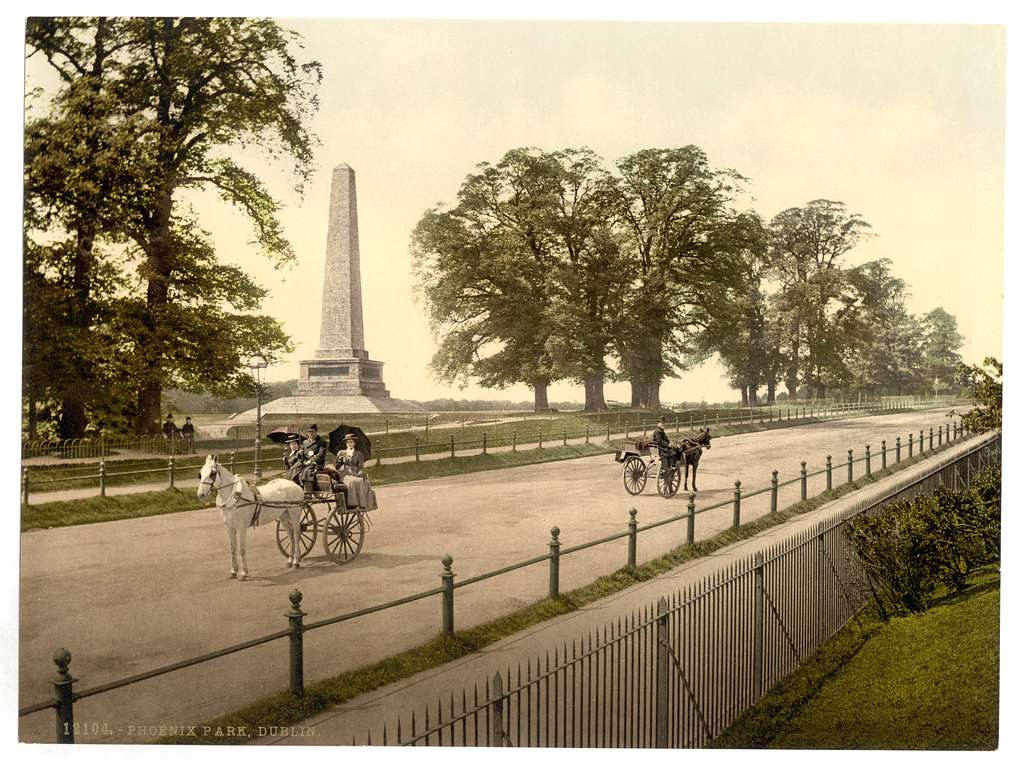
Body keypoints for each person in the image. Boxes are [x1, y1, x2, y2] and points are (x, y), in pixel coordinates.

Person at [335, 432, 372, 510]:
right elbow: (337, 467)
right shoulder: (342, 453)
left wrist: (359, 473)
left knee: (359, 481)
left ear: (354, 443)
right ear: (346, 443)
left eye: (351, 442)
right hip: (345, 474)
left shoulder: (359, 454)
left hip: (355, 473)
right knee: (352, 482)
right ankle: (353, 504)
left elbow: (361, 467)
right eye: (348, 442)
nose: (349, 444)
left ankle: (361, 504)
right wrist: (340, 459)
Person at [298, 424, 327, 492]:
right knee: (295, 469)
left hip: (317, 464)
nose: (310, 433)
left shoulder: (322, 442)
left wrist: (311, 461)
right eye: (309, 432)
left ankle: (308, 492)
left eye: (312, 431)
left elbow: (321, 456)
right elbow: (302, 456)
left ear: (316, 432)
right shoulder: (304, 442)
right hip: (305, 463)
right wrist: (299, 454)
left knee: (307, 471)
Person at [652, 416, 672, 481]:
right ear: (658, 423)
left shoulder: (660, 430)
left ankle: (669, 467)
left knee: (671, 451)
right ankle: (666, 469)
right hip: (660, 447)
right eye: (662, 423)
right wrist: (668, 445)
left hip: (661, 446)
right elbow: (659, 441)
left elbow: (664, 439)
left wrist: (669, 443)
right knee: (671, 453)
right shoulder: (658, 431)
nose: (663, 424)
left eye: (663, 423)